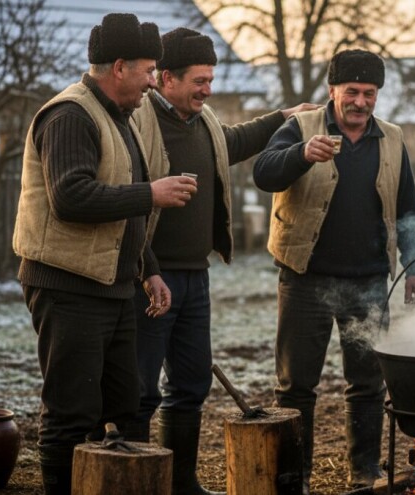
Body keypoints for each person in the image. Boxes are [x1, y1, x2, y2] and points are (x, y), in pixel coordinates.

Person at [12, 13, 197, 495]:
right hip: (68, 286)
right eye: (148, 71)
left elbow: (122, 199)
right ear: (119, 66)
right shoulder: (70, 114)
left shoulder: (119, 117)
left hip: (112, 287)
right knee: (72, 414)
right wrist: (151, 194)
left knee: (121, 404)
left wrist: (149, 270)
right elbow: (70, 197)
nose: (154, 82)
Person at [128, 27, 319, 495]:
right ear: (166, 78)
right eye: (199, 80)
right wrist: (148, 267)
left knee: (191, 386)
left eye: (211, 79)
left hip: (196, 274)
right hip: (150, 276)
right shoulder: (138, 121)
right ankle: (131, 481)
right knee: (140, 393)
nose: (207, 90)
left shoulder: (204, 120)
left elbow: (233, 141)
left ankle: (180, 482)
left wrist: (284, 117)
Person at [254, 49, 415, 493]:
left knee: (368, 385)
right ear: (332, 91)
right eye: (351, 91)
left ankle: (364, 475)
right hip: (305, 279)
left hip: (370, 281)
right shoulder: (299, 128)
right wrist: (300, 154)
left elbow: (408, 205)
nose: (360, 101)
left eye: (369, 93)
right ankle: (295, 479)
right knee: (296, 390)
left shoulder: (391, 138)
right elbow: (263, 173)